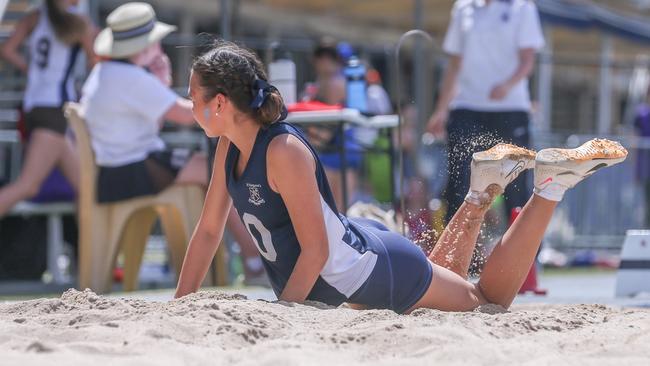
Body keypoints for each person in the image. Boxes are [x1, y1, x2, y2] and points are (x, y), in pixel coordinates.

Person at [174, 41, 627, 313]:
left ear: (219, 104)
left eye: (193, 96)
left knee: (484, 302)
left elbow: (314, 251)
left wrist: (286, 317)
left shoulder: (282, 150)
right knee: (440, 292)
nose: (188, 104)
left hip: (370, 269)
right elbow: (210, 229)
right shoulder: (228, 146)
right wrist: (181, 305)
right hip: (360, 265)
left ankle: (550, 187)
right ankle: (480, 189)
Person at [79, 3, 262, 279]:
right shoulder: (129, 77)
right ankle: (251, 260)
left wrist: (161, 84)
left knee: (212, 170)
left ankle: (232, 263)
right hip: (130, 170)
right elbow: (191, 115)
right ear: (144, 48)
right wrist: (233, 104)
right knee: (220, 172)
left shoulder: (107, 73)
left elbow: (158, 120)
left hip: (116, 171)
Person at [426, 0, 545, 224]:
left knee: (516, 185)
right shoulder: (463, 8)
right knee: (459, 183)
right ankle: (453, 255)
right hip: (466, 106)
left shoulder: (522, 8)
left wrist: (507, 85)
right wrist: (440, 110)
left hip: (510, 108)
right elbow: (454, 64)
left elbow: (528, 60)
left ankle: (526, 255)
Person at [0, 0, 96, 216]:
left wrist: (31, 71)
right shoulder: (78, 21)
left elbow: (7, 50)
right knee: (27, 186)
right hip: (55, 110)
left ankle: (89, 250)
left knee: (86, 189)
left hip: (34, 107)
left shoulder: (34, 17)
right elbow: (95, 60)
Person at [301, 38, 362, 211]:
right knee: (337, 212)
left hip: (336, 151)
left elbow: (329, 122)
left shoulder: (334, 81)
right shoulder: (328, 80)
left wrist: (313, 144)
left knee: (335, 212)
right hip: (341, 150)